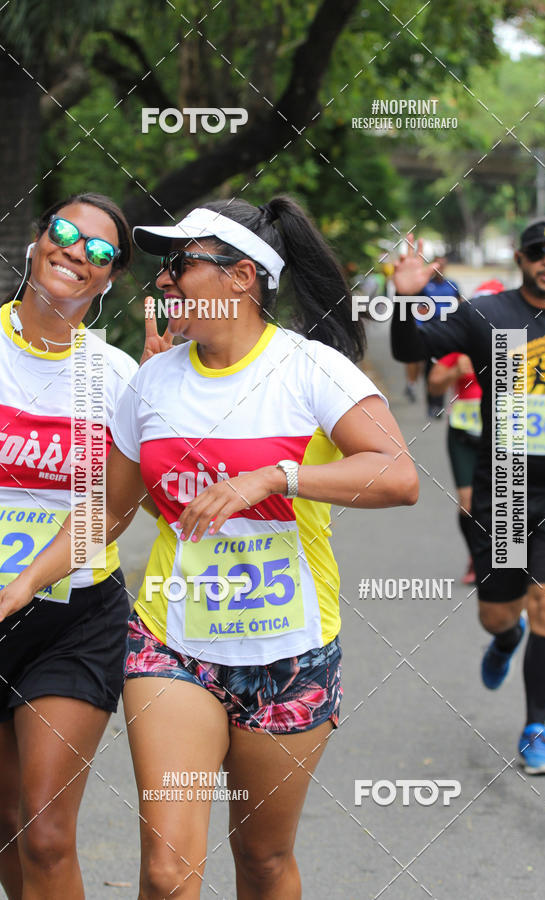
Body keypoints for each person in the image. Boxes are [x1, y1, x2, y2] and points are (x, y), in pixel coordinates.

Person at [0, 196, 420, 898]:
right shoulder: (152, 381)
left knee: (262, 859)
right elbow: (107, 510)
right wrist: (21, 586)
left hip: (289, 651)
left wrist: (277, 477)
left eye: (181, 264)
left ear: (241, 277)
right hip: (172, 645)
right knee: (167, 873)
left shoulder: (309, 369)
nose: (163, 280)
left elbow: (398, 476)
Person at [391, 217, 545, 774]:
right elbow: (413, 347)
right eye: (538, 251)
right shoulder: (484, 313)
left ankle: (536, 729)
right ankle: (506, 640)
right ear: (521, 258)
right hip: (504, 486)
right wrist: (405, 299)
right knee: (497, 615)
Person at [0, 193, 138, 899]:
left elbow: (112, 512)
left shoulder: (116, 376)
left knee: (46, 832)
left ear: (109, 279)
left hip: (73, 617)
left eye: (100, 251)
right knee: (5, 822)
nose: (77, 252)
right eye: (64, 232)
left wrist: (26, 582)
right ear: (37, 240)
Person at [427, 280, 505, 585]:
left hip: (505, 432)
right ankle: (477, 556)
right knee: (469, 503)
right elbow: (434, 385)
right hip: (463, 431)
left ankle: (507, 562)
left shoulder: (519, 341)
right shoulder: (462, 341)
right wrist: (455, 371)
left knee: (507, 500)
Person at [420, 256, 461, 418]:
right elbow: (418, 306)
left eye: (442, 266)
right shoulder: (425, 286)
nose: (440, 269)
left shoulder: (453, 285)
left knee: (444, 366)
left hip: (447, 331)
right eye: (437, 266)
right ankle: (431, 403)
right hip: (429, 330)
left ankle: (439, 405)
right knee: (430, 367)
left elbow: (460, 303)